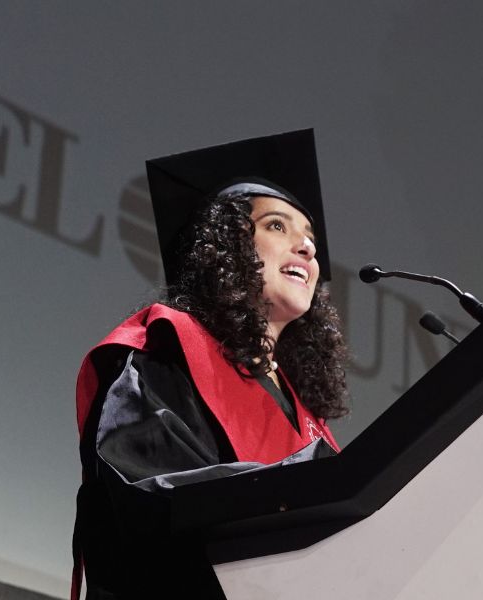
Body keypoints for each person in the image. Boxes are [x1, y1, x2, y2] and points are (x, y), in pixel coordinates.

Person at [71, 130, 349, 599]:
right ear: (228, 246)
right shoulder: (166, 349)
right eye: (277, 226)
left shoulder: (307, 417)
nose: (306, 247)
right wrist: (298, 487)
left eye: (311, 239)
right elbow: (145, 499)